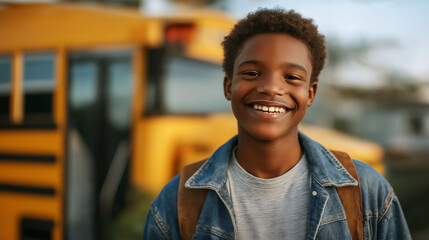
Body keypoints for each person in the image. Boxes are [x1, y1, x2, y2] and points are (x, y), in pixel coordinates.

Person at [143, 8, 411, 239]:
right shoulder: (177, 203)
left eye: (292, 77)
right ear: (228, 86)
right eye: (251, 73)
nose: (271, 87)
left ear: (310, 93)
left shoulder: (367, 191)